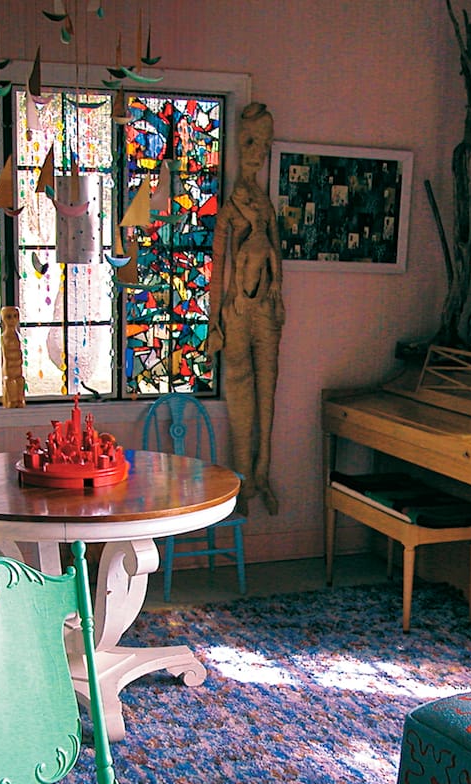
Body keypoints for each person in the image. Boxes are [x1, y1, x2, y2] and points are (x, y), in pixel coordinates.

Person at [208, 101, 284, 515]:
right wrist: (213, 322)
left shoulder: (265, 207)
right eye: (252, 142)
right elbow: (218, 268)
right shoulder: (230, 210)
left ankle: (263, 473)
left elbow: (276, 259)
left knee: (268, 393)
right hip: (236, 314)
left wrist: (276, 296)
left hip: (267, 314)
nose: (258, 153)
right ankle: (242, 481)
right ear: (239, 143)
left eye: (266, 145)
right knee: (239, 388)